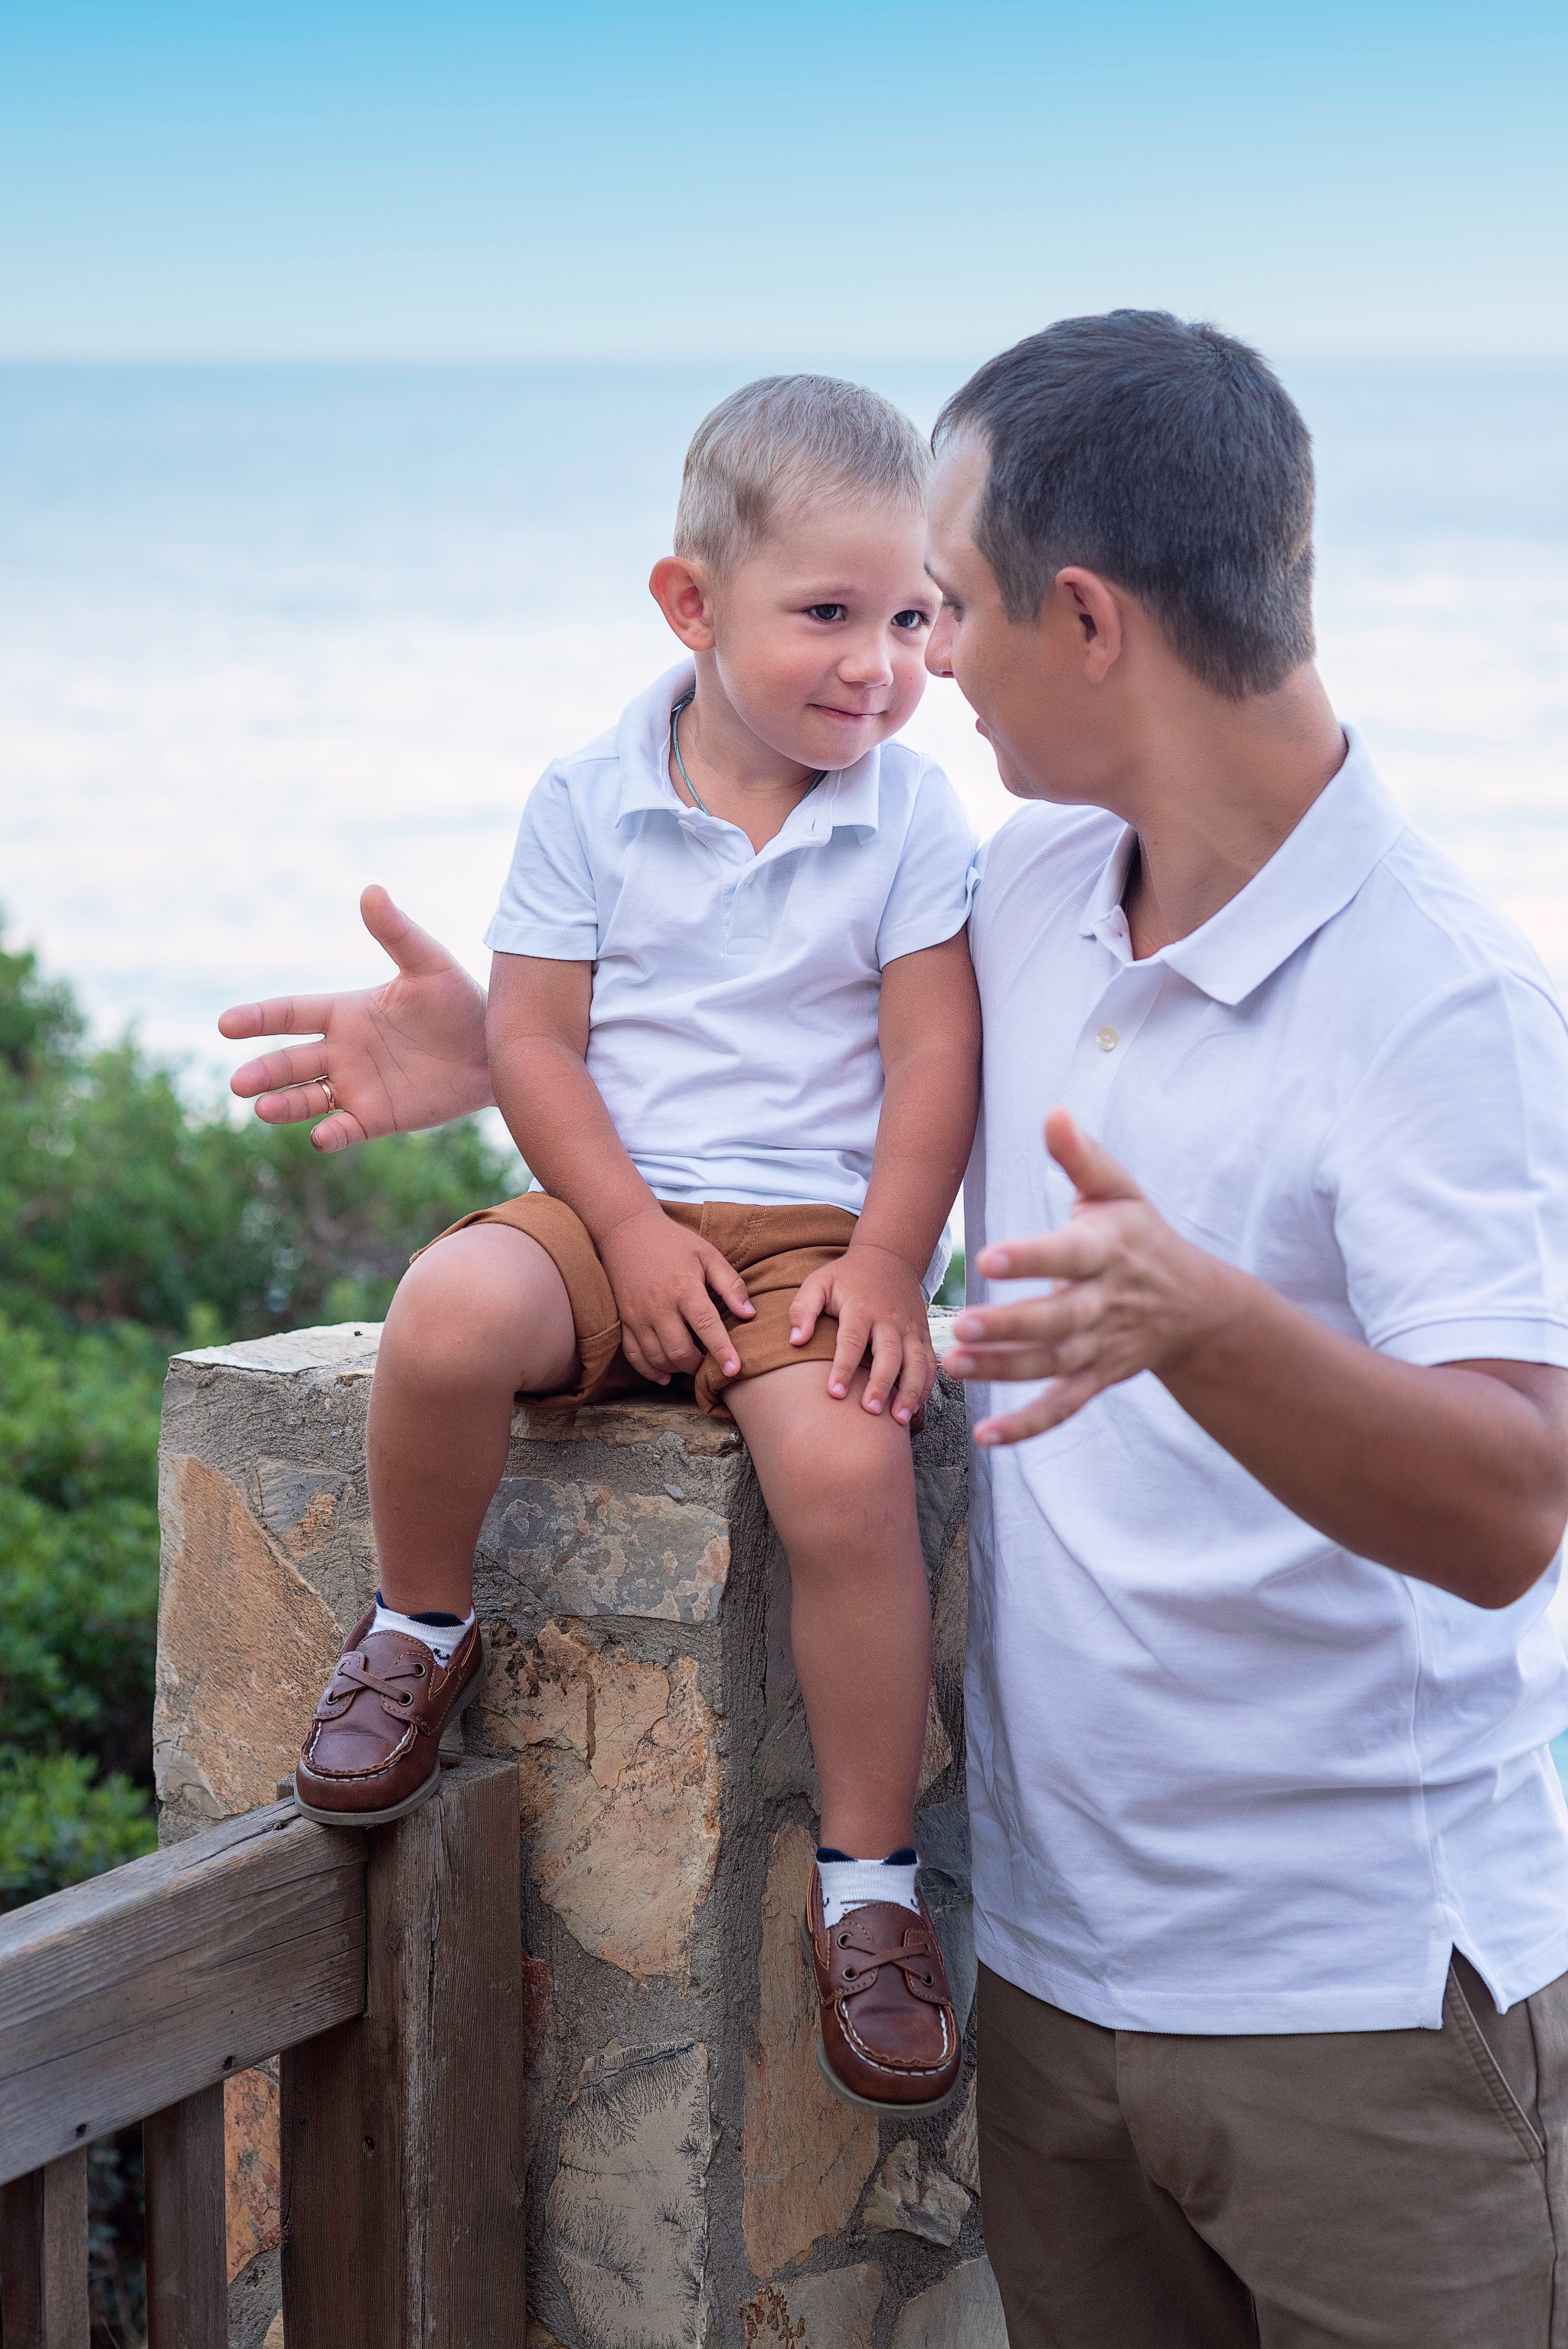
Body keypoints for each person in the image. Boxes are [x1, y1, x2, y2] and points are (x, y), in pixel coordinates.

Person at [223, 314, 1568, 2345]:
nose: (919, 665)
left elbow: (1513, 1508)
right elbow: (749, 1014)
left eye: (947, 604)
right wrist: (489, 1046)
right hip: (1053, 1978)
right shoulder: (1034, 890)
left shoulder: (1442, 1001)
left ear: (1083, 621)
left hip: (1360, 2014)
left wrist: (1204, 1325)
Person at [230, 374, 982, 2120]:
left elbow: (936, 1055)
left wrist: (888, 1261)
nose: (877, 665)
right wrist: (627, 1231)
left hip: (812, 1238)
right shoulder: (585, 795)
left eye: (912, 618)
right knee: (442, 1313)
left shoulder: (914, 812)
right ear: (689, 603)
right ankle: (418, 1623)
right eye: (828, 613)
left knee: (847, 1476)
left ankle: (868, 1888)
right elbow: (535, 1046)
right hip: (604, 1200)